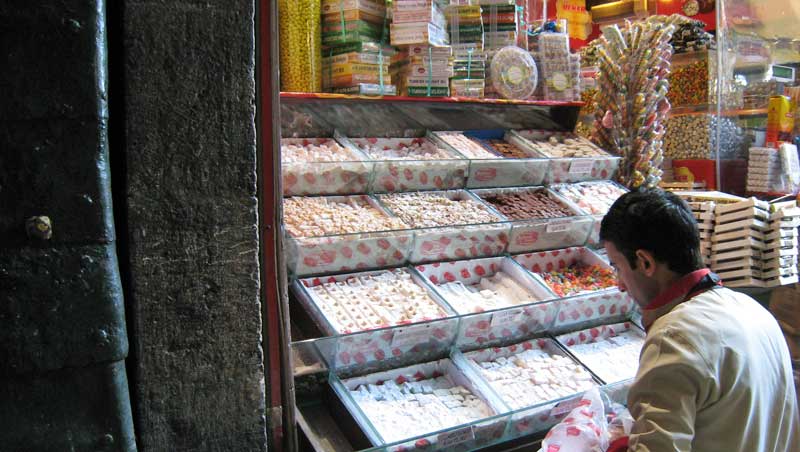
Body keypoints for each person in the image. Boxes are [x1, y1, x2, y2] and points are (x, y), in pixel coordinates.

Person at [600, 189, 800, 452]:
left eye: (617, 267)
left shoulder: (674, 337)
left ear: (645, 262)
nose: (619, 285)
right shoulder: (752, 309)